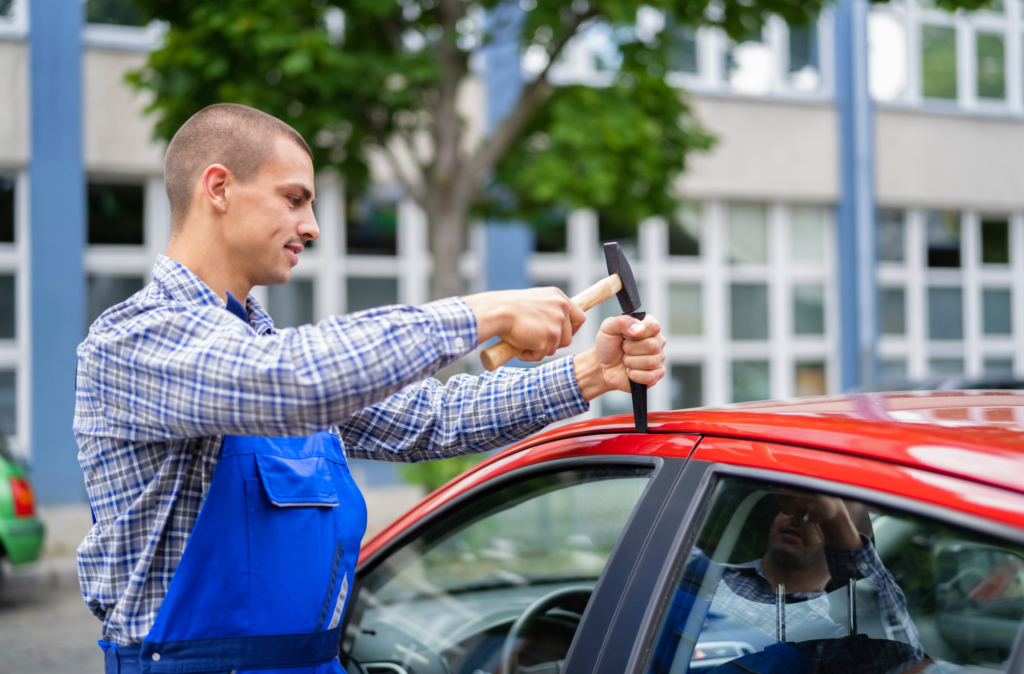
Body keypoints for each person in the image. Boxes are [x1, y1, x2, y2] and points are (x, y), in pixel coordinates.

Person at [74, 104, 667, 674]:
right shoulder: (134, 342)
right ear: (219, 188)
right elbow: (288, 382)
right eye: (294, 198)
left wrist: (590, 374)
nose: (312, 226)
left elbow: (433, 419)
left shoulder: (270, 348)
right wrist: (479, 313)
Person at [651, 490, 923, 674]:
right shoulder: (690, 570)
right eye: (793, 505)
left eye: (815, 516)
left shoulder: (828, 641)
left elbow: (900, 657)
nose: (798, 517)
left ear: (842, 541)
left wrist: (835, 518)